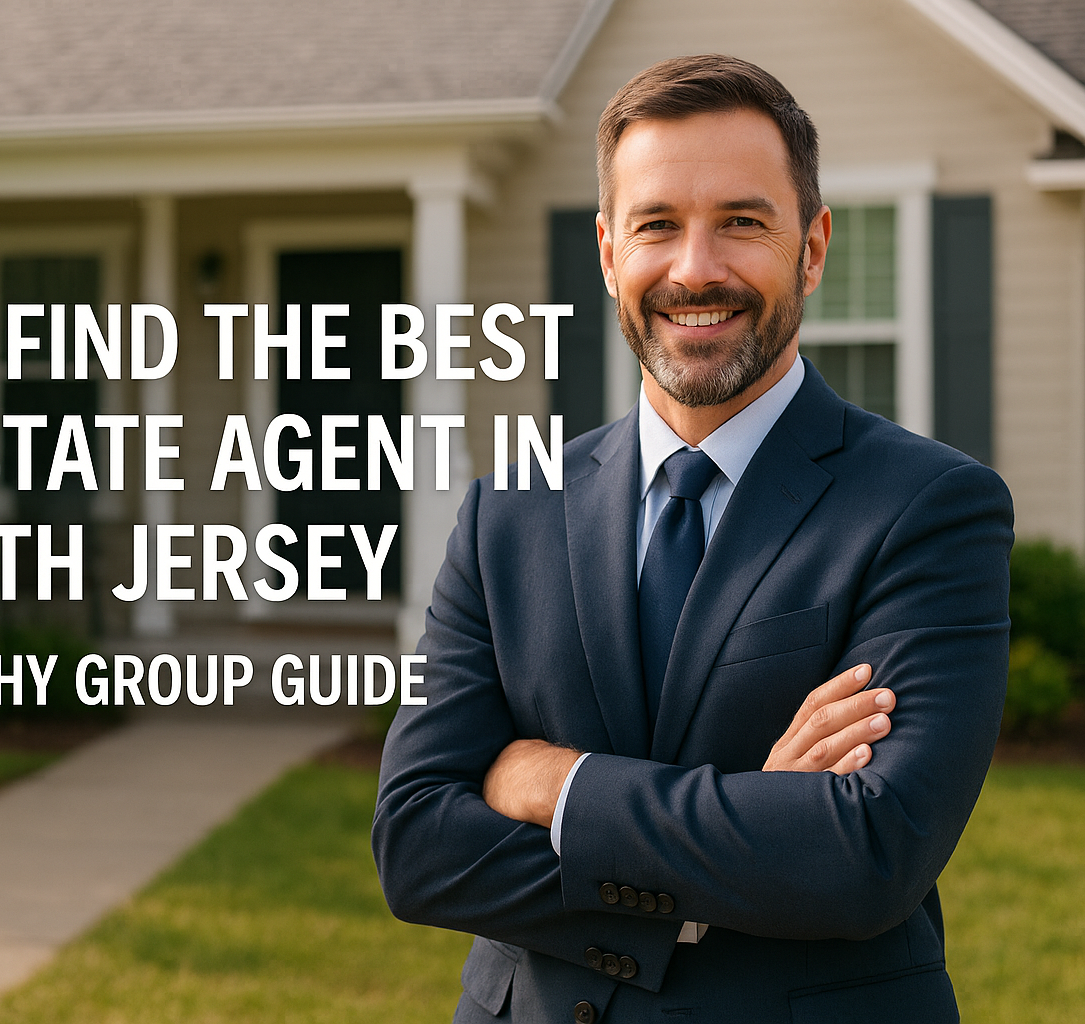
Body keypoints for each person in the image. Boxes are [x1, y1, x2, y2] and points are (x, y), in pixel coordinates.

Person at [372, 54, 1012, 1024]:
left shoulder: (931, 510)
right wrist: (738, 848)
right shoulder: (507, 511)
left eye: (742, 222)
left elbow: (866, 854)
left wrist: (557, 781)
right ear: (606, 252)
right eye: (657, 225)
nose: (695, 269)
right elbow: (418, 842)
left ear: (813, 247)